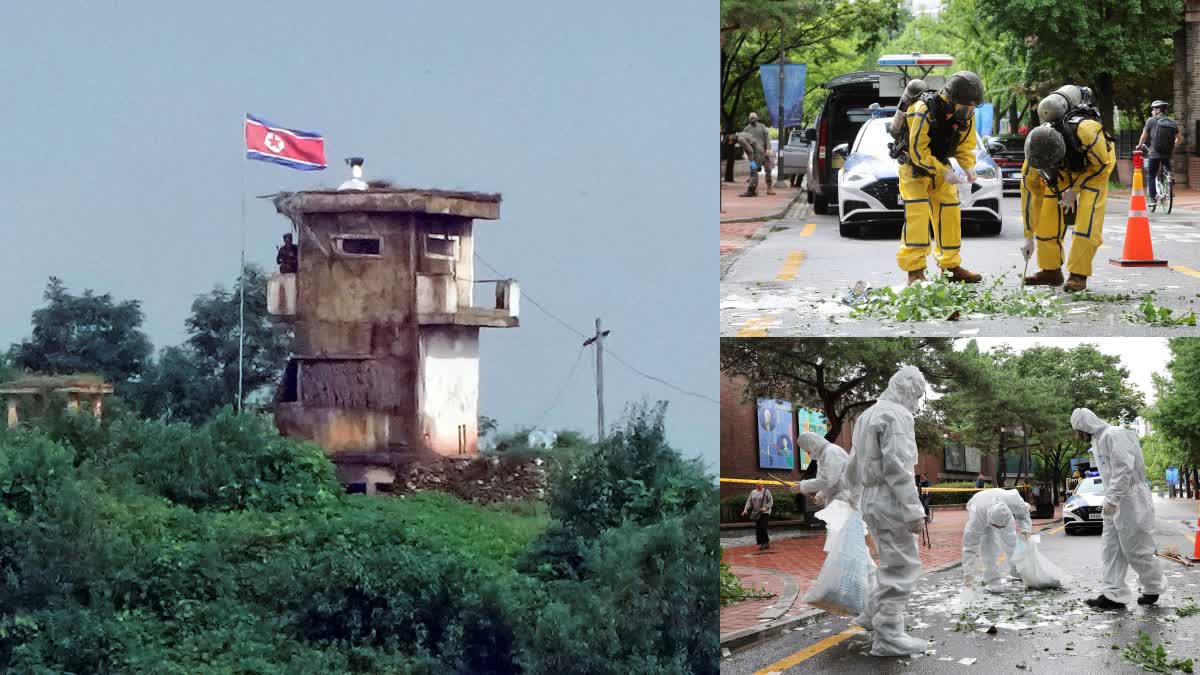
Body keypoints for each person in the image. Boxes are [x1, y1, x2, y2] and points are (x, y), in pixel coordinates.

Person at [843, 366, 929, 656]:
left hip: (871, 500)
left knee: (889, 561)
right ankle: (889, 634)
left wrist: (853, 495)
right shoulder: (898, 415)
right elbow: (898, 465)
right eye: (917, 395)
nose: (916, 403)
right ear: (907, 390)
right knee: (901, 566)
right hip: (890, 501)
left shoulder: (867, 415)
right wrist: (913, 509)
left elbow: (853, 462)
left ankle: (871, 614)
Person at [1020, 87, 1115, 292]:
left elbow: (1101, 165)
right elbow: (1030, 197)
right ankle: (1050, 271)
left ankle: (1078, 274)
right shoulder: (1034, 159)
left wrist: (1075, 189)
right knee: (1047, 220)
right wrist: (1028, 236)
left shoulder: (1087, 130)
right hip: (1063, 171)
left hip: (1095, 167)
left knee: (1086, 221)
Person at [896, 71, 985, 286]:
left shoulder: (966, 116)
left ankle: (951, 267)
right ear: (951, 100)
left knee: (950, 213)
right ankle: (915, 271)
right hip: (913, 168)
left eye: (973, 107)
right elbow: (918, 152)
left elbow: (965, 146)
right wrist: (944, 172)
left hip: (941, 167)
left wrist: (969, 168)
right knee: (917, 216)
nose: (969, 111)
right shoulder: (923, 110)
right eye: (965, 106)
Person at [1072, 408, 1166, 609]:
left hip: (1131, 498)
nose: (1077, 435)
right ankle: (1113, 595)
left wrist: (1113, 498)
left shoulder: (1115, 434)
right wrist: (1111, 498)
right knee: (1111, 548)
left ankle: (1152, 587)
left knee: (1136, 548)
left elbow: (1124, 467)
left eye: (1077, 430)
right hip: (1115, 499)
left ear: (1085, 426)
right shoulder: (1098, 440)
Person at [961, 488, 1033, 592]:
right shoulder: (977, 519)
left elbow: (1024, 513)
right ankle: (993, 579)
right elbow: (969, 548)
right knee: (988, 547)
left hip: (1001, 510)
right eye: (997, 526)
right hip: (980, 507)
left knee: (1011, 542)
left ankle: (1017, 570)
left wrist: (1025, 529)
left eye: (1002, 526)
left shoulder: (1013, 499)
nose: (1000, 529)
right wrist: (968, 575)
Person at [1138, 100, 1182, 204]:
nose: (1152, 111)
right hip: (1167, 153)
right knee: (1168, 171)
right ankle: (1169, 180)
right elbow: (1179, 138)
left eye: (1153, 109)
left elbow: (1144, 136)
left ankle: (1152, 199)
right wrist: (1173, 145)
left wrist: (1139, 145)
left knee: (1152, 175)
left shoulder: (1151, 120)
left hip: (1154, 153)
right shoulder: (1172, 122)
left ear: (1158, 110)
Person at [792, 432, 850, 506]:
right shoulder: (824, 454)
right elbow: (831, 481)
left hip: (843, 501)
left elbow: (827, 480)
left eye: (807, 450)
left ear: (812, 445)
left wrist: (803, 486)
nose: (808, 453)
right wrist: (821, 496)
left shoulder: (830, 452)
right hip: (839, 500)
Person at [743, 112, 775, 195]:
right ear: (749, 119)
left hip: (764, 153)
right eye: (751, 118)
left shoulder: (762, 126)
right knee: (754, 171)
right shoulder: (746, 129)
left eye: (754, 117)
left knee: (768, 170)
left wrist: (768, 148)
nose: (752, 119)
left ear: (757, 118)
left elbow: (767, 138)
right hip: (753, 155)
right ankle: (754, 188)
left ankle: (769, 187)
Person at [729, 131, 766, 198]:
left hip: (757, 152)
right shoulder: (741, 134)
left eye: (732, 142)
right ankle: (754, 190)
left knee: (753, 171)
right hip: (759, 150)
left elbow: (750, 150)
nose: (734, 143)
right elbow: (751, 138)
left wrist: (751, 161)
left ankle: (750, 191)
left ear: (733, 138)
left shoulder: (740, 139)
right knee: (755, 170)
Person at [743, 481, 774, 550]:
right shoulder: (753, 492)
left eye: (761, 484)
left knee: (763, 527)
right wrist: (745, 509)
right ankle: (763, 542)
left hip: (765, 512)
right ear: (756, 485)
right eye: (758, 485)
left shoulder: (766, 491)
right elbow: (749, 501)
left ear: (763, 485)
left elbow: (771, 501)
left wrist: (766, 507)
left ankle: (765, 543)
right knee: (759, 528)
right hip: (757, 513)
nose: (760, 486)